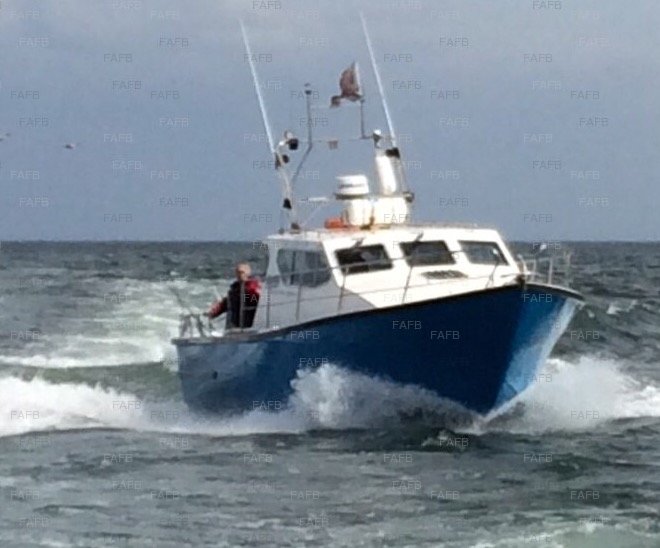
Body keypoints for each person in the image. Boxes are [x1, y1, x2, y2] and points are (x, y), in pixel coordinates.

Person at [206, 263, 261, 328]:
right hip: (234, 325)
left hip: (248, 324)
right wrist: (211, 314)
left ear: (248, 273)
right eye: (237, 273)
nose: (239, 275)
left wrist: (244, 296)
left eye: (242, 272)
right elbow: (225, 304)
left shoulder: (253, 288)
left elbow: (255, 302)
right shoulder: (234, 290)